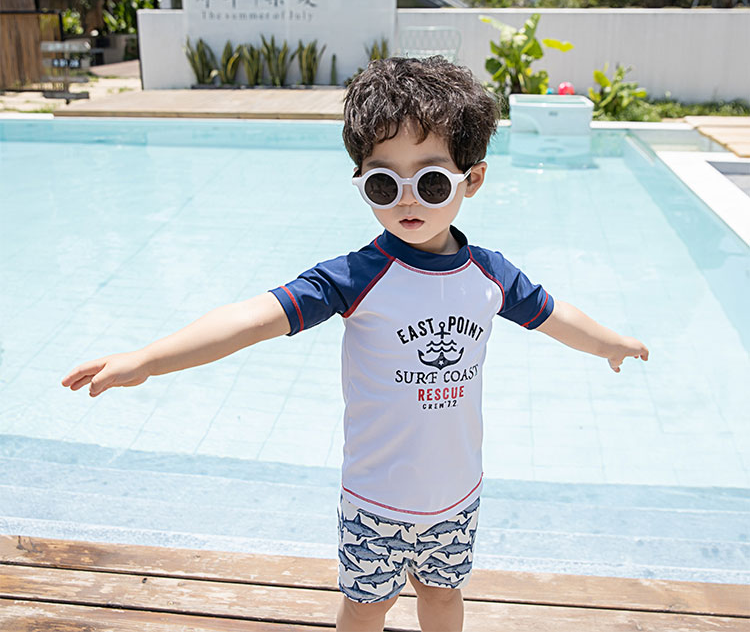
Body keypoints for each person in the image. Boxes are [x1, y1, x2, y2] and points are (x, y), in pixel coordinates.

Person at [62, 56, 649, 632]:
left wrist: (610, 345)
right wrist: (148, 359)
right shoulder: (355, 277)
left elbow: (555, 315)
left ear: (472, 180)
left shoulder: (490, 276)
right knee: (366, 610)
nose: (407, 200)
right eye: (383, 183)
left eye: (431, 181)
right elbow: (251, 319)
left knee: (443, 597)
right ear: (361, 181)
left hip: (455, 497)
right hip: (374, 503)